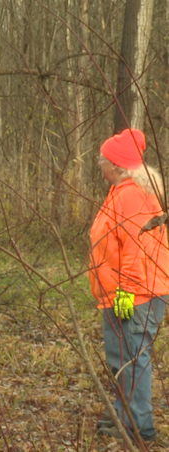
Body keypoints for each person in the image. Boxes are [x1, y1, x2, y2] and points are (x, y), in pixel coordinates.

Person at [89, 128, 168, 444]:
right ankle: (127, 417)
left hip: (136, 294)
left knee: (132, 359)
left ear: (118, 166)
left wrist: (127, 290)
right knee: (124, 358)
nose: (99, 163)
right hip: (130, 290)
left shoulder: (131, 195)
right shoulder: (124, 190)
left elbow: (136, 247)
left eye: (103, 159)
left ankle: (139, 428)